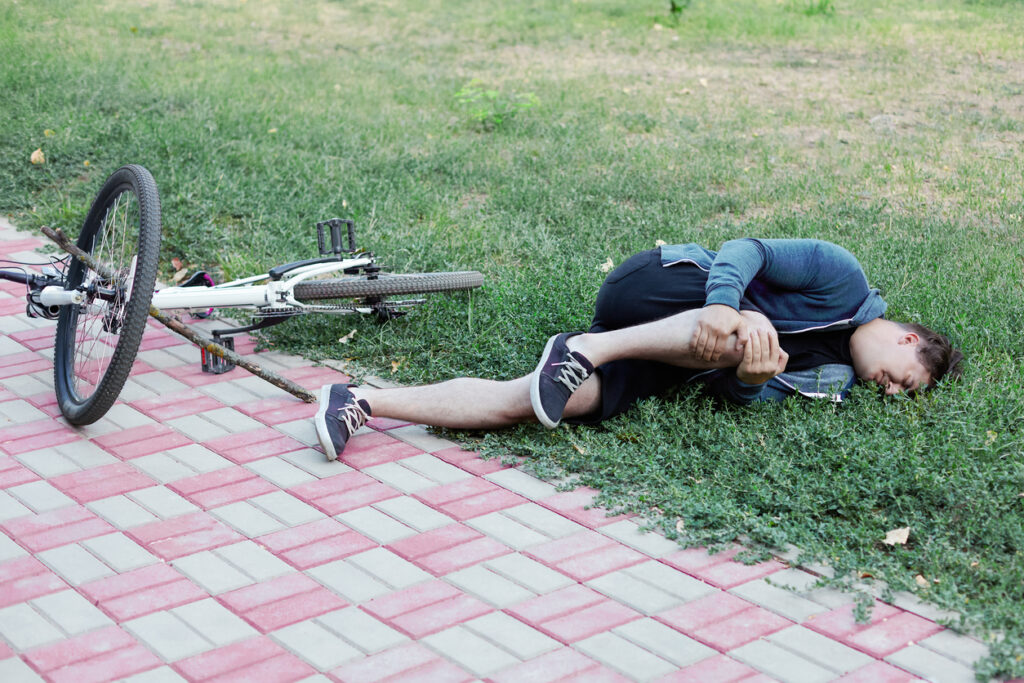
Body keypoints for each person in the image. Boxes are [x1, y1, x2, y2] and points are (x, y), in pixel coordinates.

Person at [314, 238, 963, 461]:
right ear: (910, 340)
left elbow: (736, 394)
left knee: (538, 404)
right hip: (663, 285)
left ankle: (361, 401)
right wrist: (722, 303)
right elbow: (748, 250)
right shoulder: (842, 276)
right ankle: (582, 347)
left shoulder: (833, 381)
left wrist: (746, 379)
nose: (889, 389)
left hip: (664, 361)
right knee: (747, 327)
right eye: (905, 379)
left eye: (899, 395)